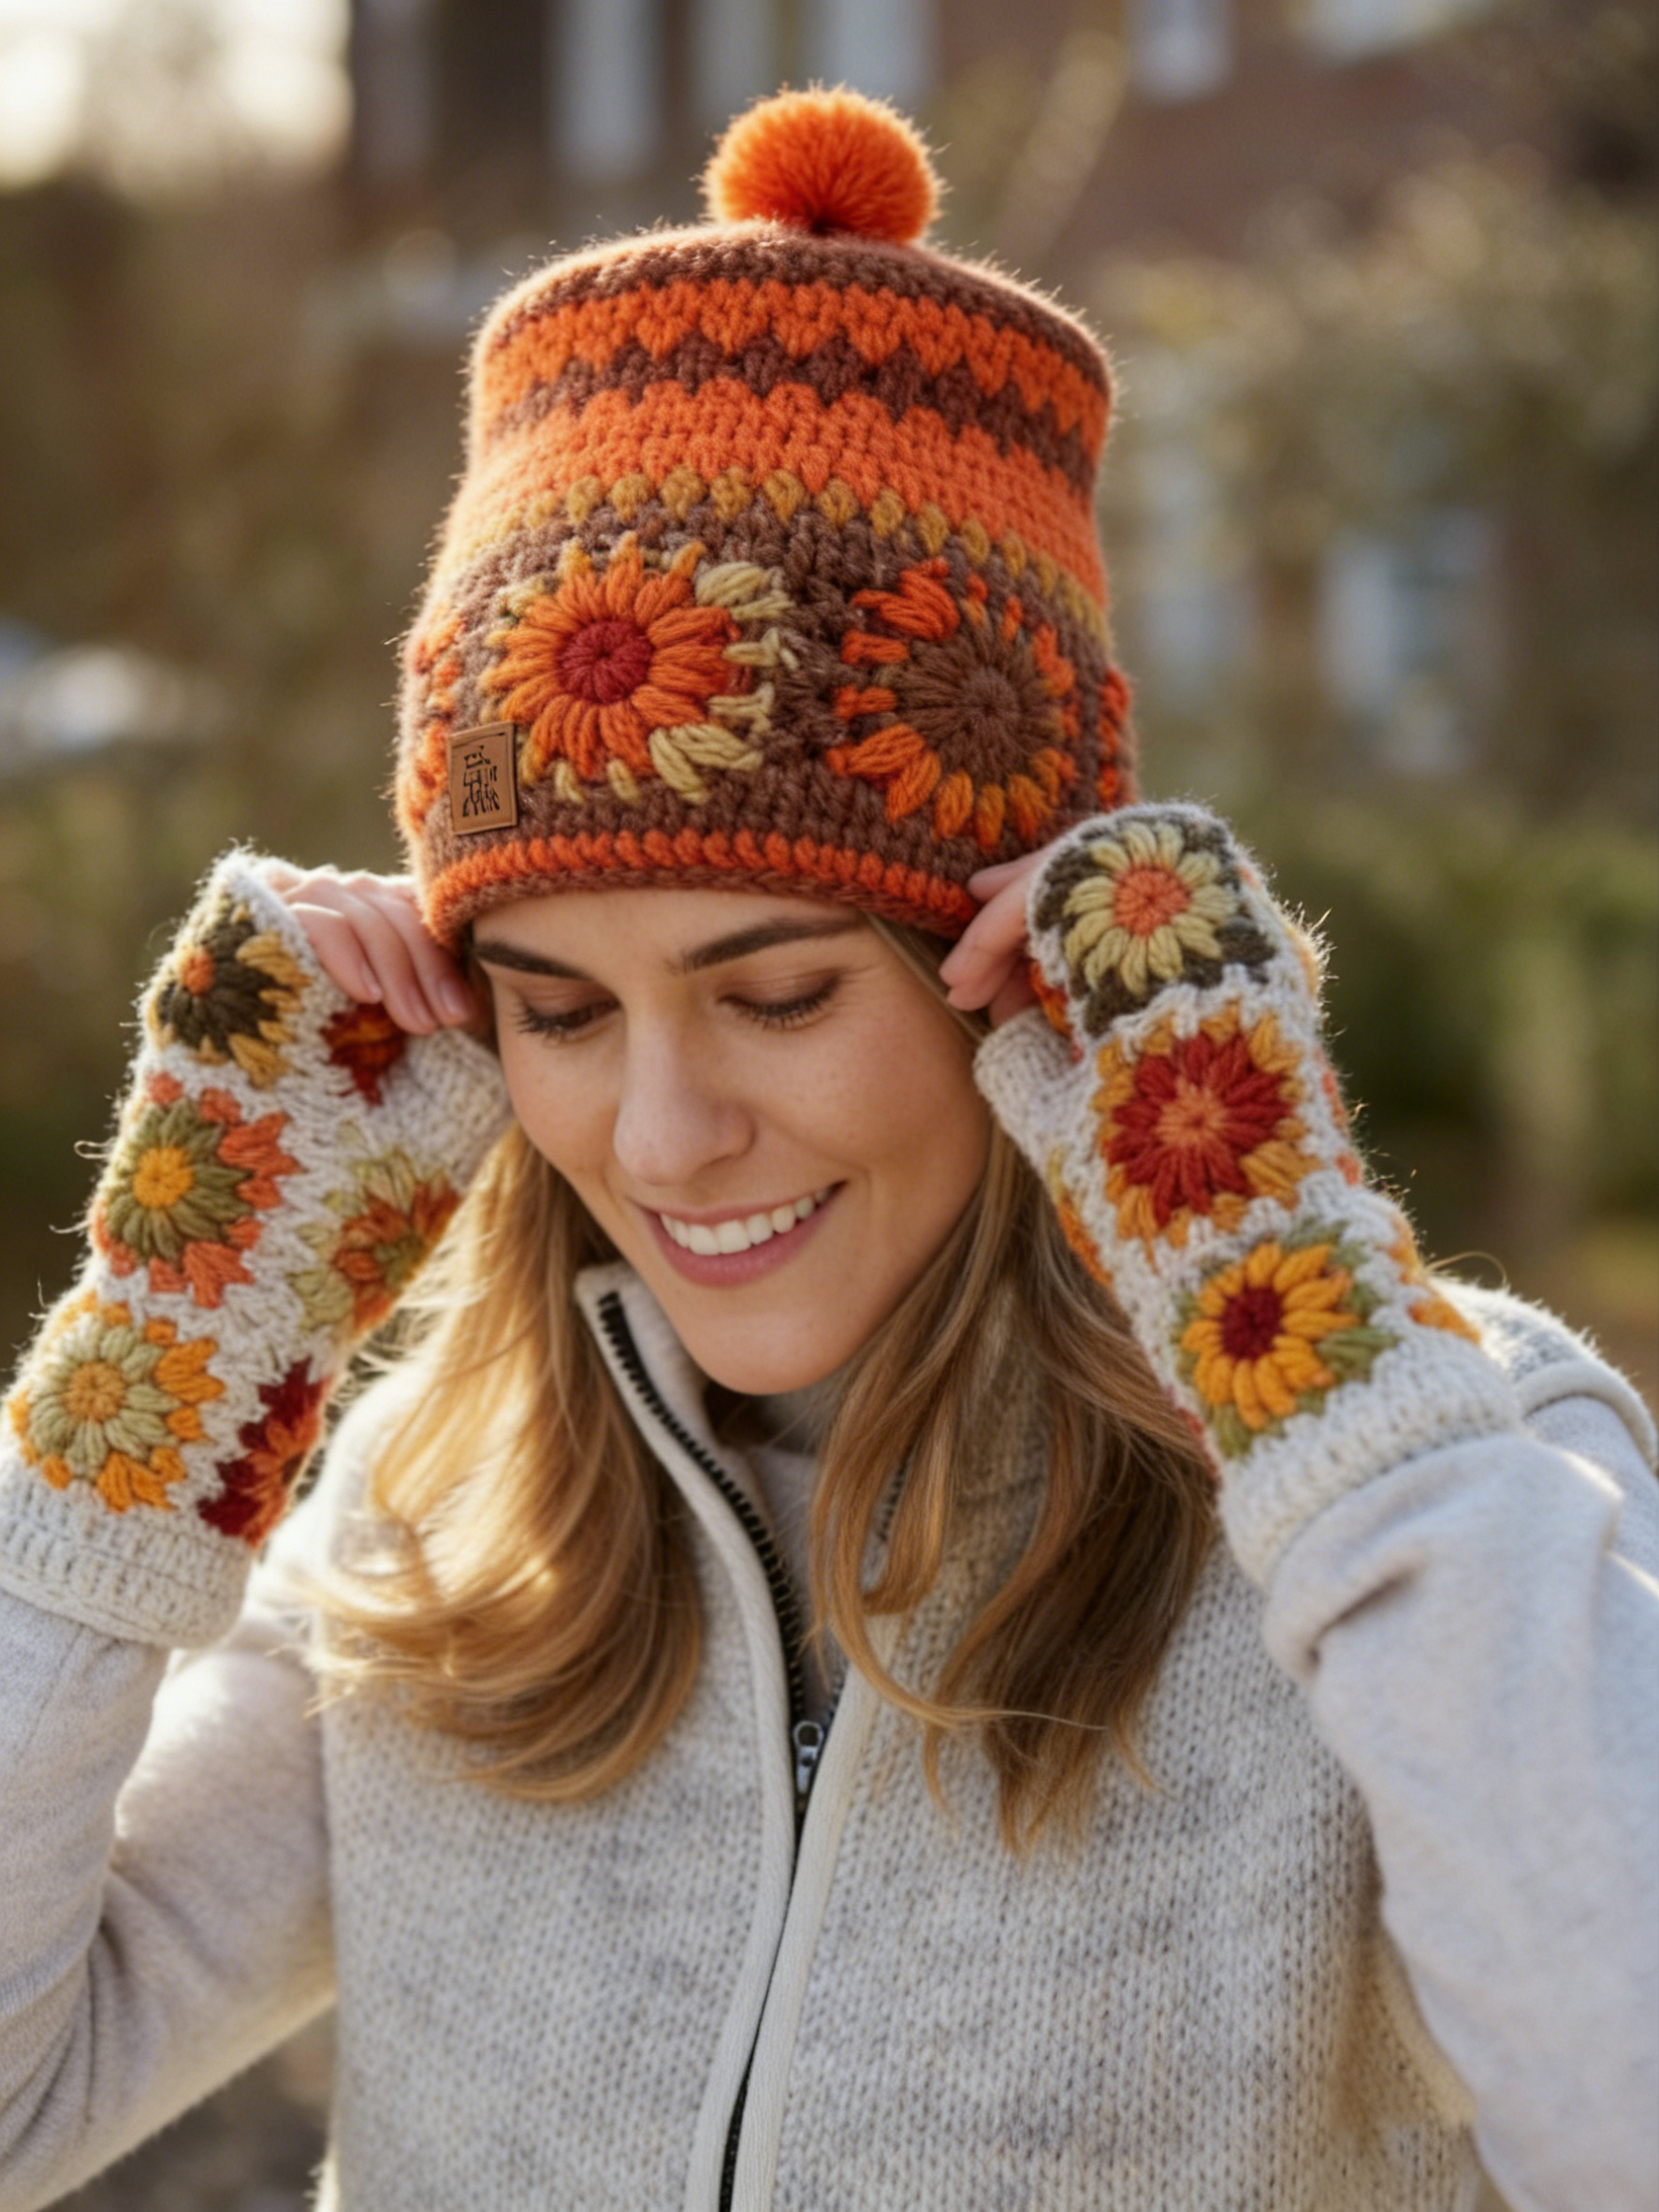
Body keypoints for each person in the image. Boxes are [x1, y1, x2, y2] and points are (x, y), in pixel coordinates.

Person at [0, 86, 1652, 2212]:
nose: (666, 1134)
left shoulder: (1422, 1480)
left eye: (778, 996)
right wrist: (160, 1359)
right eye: (560, 1012)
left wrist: (1324, 1374)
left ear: (1012, 973)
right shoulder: (447, 1512)